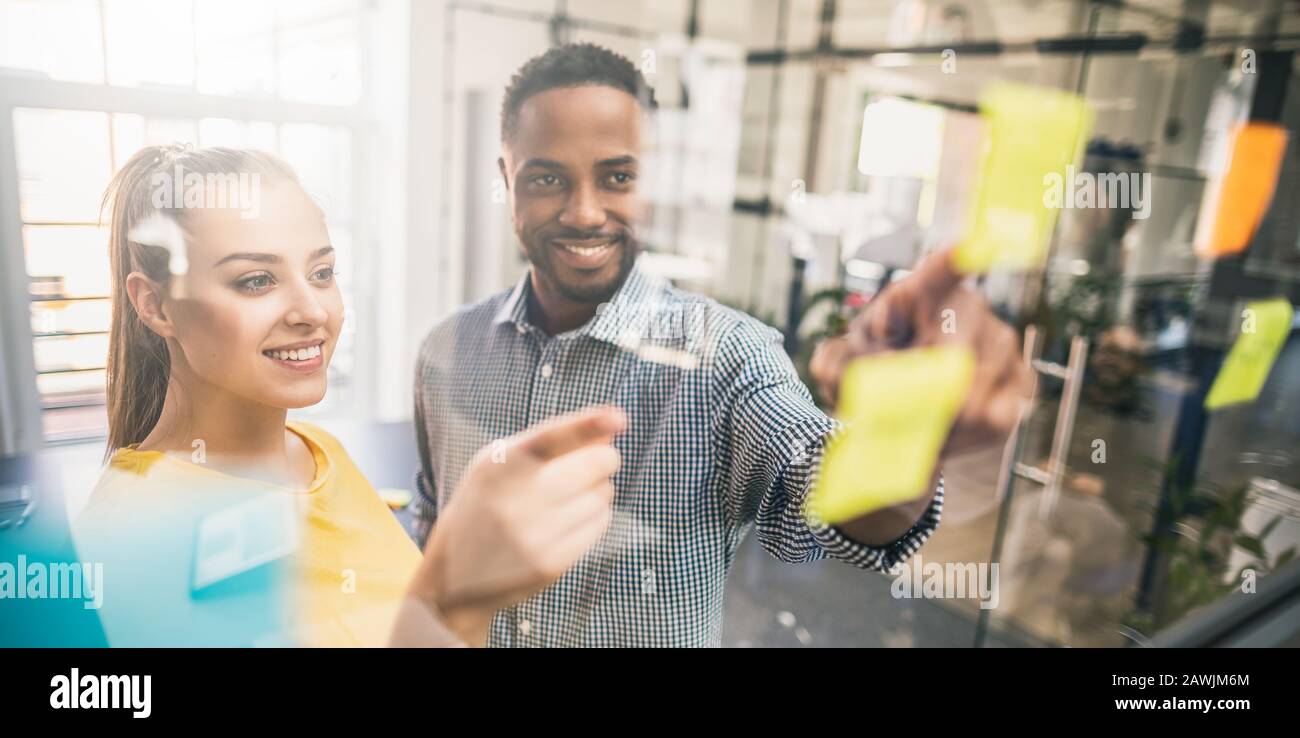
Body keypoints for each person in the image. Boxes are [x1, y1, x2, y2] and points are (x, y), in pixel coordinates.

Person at [411, 44, 1033, 646]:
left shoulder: (728, 355)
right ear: (506, 179)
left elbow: (823, 503)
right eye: (547, 177)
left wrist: (901, 433)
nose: (584, 212)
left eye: (617, 176)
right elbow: (433, 531)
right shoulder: (446, 349)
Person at [75, 144, 624, 647]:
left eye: (321, 272)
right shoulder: (135, 531)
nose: (313, 311)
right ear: (155, 305)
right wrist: (456, 606)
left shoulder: (319, 452)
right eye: (255, 281)